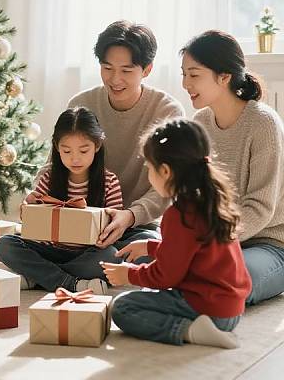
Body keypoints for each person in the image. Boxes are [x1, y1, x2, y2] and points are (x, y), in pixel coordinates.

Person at [102, 118, 252, 348]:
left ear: (165, 171)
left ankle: (188, 330)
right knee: (147, 290)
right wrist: (150, 247)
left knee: (122, 307)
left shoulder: (180, 214)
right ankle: (200, 326)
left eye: (149, 169)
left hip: (210, 311)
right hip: (230, 310)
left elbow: (166, 277)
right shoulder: (208, 200)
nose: (149, 175)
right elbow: (193, 254)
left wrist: (129, 275)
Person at [181, 29, 284, 305]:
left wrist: (209, 242)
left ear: (224, 76)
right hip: (216, 240)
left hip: (269, 245)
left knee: (225, 278)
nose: (185, 83)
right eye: (183, 74)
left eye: (193, 75)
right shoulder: (201, 122)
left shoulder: (263, 123)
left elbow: (260, 208)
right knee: (152, 260)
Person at [68, 20, 184, 251]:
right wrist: (35, 200)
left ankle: (61, 270)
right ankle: (79, 270)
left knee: (149, 252)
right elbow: (55, 165)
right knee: (8, 245)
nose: (114, 79)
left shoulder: (167, 111)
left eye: (126, 71)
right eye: (107, 68)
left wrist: (130, 216)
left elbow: (170, 185)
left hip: (139, 223)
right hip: (85, 221)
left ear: (147, 69)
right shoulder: (81, 105)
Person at [0, 107, 124, 294]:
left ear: (97, 146)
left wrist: (104, 235)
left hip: (87, 254)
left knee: (111, 257)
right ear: (57, 147)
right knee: (4, 244)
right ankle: (72, 283)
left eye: (83, 150)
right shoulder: (48, 177)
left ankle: (37, 276)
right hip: (51, 251)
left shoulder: (109, 181)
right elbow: (32, 222)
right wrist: (29, 207)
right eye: (67, 151)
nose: (75, 159)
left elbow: (114, 229)